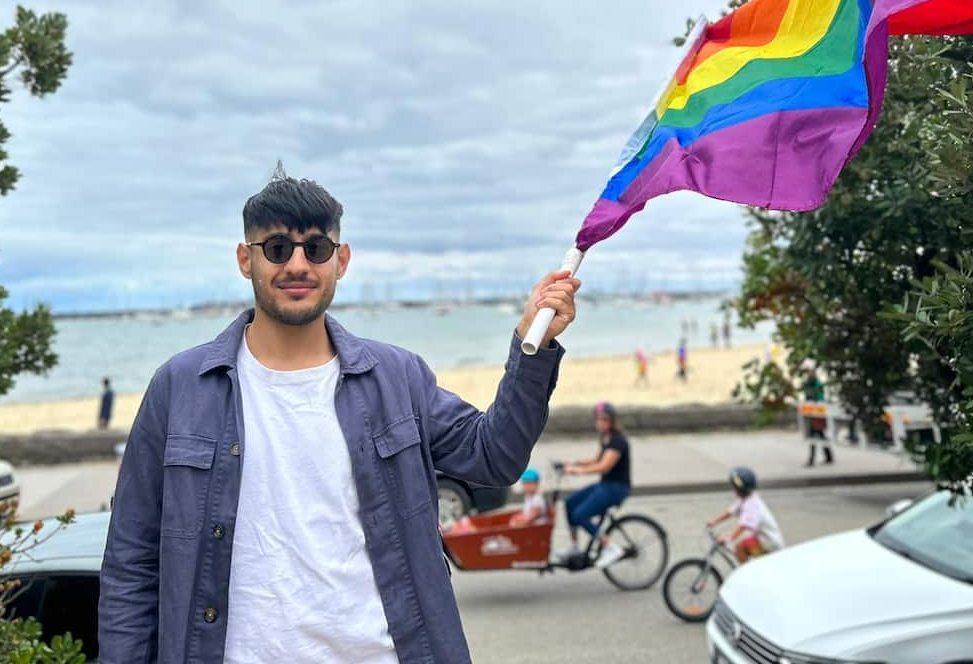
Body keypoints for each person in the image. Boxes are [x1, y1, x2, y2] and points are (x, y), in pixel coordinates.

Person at [98, 171, 580, 664]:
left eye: (316, 248)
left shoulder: (397, 377)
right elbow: (131, 561)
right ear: (246, 259)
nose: (298, 265)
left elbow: (494, 456)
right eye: (277, 248)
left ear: (341, 260)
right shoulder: (179, 388)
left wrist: (534, 343)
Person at [563, 401, 631, 569]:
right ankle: (575, 547)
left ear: (612, 421)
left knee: (580, 515)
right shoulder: (605, 437)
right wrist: (573, 462)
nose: (600, 423)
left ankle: (611, 547)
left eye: (604, 419)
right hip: (606, 484)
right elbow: (596, 459)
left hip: (616, 488)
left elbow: (603, 466)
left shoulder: (617, 441)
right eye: (598, 419)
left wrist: (577, 471)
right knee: (570, 503)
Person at [705, 466, 784, 565]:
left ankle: (747, 573)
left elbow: (744, 525)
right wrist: (714, 521)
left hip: (771, 543)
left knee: (740, 547)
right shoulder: (745, 498)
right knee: (743, 549)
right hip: (762, 538)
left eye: (735, 488)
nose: (733, 490)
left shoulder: (752, 504)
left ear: (740, 489)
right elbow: (729, 512)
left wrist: (729, 537)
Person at [801, 360, 834, 466]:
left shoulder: (815, 383)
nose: (806, 373)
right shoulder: (809, 382)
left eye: (807, 371)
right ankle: (828, 456)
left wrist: (816, 408)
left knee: (814, 434)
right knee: (820, 434)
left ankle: (812, 459)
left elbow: (818, 398)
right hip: (813, 412)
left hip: (817, 412)